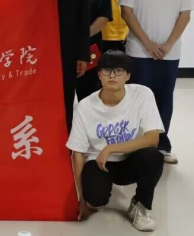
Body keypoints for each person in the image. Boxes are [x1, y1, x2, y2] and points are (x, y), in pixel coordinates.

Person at [67, 50, 165, 232]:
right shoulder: (84, 107)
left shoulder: (142, 94)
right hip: (99, 162)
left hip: (131, 160)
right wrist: (81, 199)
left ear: (128, 75)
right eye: (106, 70)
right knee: (94, 200)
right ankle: (97, 196)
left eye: (118, 71)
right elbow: (77, 153)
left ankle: (141, 205)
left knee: (153, 156)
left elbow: (152, 139)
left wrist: (111, 148)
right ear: (99, 75)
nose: (112, 75)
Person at [120, 0, 192, 165]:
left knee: (164, 99)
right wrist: (148, 44)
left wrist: (168, 44)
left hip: (170, 53)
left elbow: (185, 15)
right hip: (139, 51)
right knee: (137, 99)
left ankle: (161, 145)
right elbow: (127, 13)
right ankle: (135, 146)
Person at [21, 0, 90, 133]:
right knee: (39, 97)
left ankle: (64, 142)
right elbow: (25, 18)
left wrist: (82, 55)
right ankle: (42, 139)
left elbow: (83, 20)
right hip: (39, 51)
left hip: (69, 52)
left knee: (67, 98)